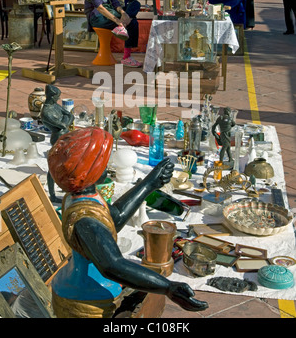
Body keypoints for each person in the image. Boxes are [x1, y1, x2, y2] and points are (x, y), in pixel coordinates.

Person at [48, 127, 208, 318]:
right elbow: (112, 265)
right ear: (88, 171)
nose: (107, 167)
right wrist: (168, 288)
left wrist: (150, 183)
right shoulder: (85, 220)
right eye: (102, 163)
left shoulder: (77, 197)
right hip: (85, 298)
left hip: (81, 284)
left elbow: (112, 218)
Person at [84, 0, 142, 67]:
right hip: (97, 16)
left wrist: (123, 13)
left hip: (110, 11)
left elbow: (115, 3)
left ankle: (126, 56)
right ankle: (127, 56)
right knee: (132, 22)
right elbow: (100, 8)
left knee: (135, 4)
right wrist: (117, 20)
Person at [41, 84, 74, 203]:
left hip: (65, 137)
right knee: (54, 167)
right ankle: (52, 194)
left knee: (68, 164)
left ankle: (68, 187)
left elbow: (70, 115)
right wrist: (65, 121)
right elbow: (64, 124)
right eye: (57, 97)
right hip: (57, 139)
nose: (58, 99)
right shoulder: (46, 112)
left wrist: (65, 121)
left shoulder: (54, 105)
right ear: (51, 96)